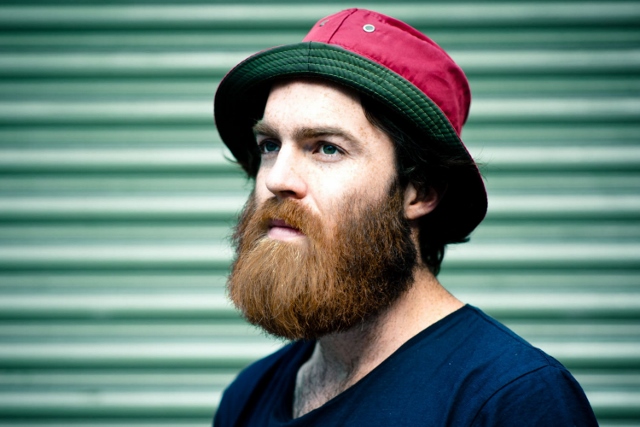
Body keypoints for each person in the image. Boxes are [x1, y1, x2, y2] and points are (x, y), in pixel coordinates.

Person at [212, 8, 598, 426]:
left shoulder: (512, 399)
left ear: (421, 191)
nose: (277, 179)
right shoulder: (247, 396)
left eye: (327, 148)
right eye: (270, 145)